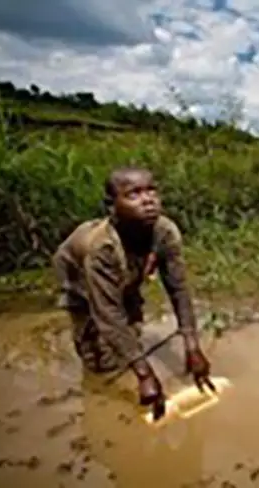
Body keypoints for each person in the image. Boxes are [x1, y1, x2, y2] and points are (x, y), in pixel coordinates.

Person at [52, 167, 212, 418]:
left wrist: (192, 347)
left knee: (132, 322)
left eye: (151, 190)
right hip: (78, 275)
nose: (148, 200)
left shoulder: (165, 231)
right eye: (133, 194)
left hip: (126, 265)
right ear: (111, 205)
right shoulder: (100, 248)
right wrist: (145, 374)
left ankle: (130, 354)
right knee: (101, 360)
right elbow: (108, 314)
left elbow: (178, 288)